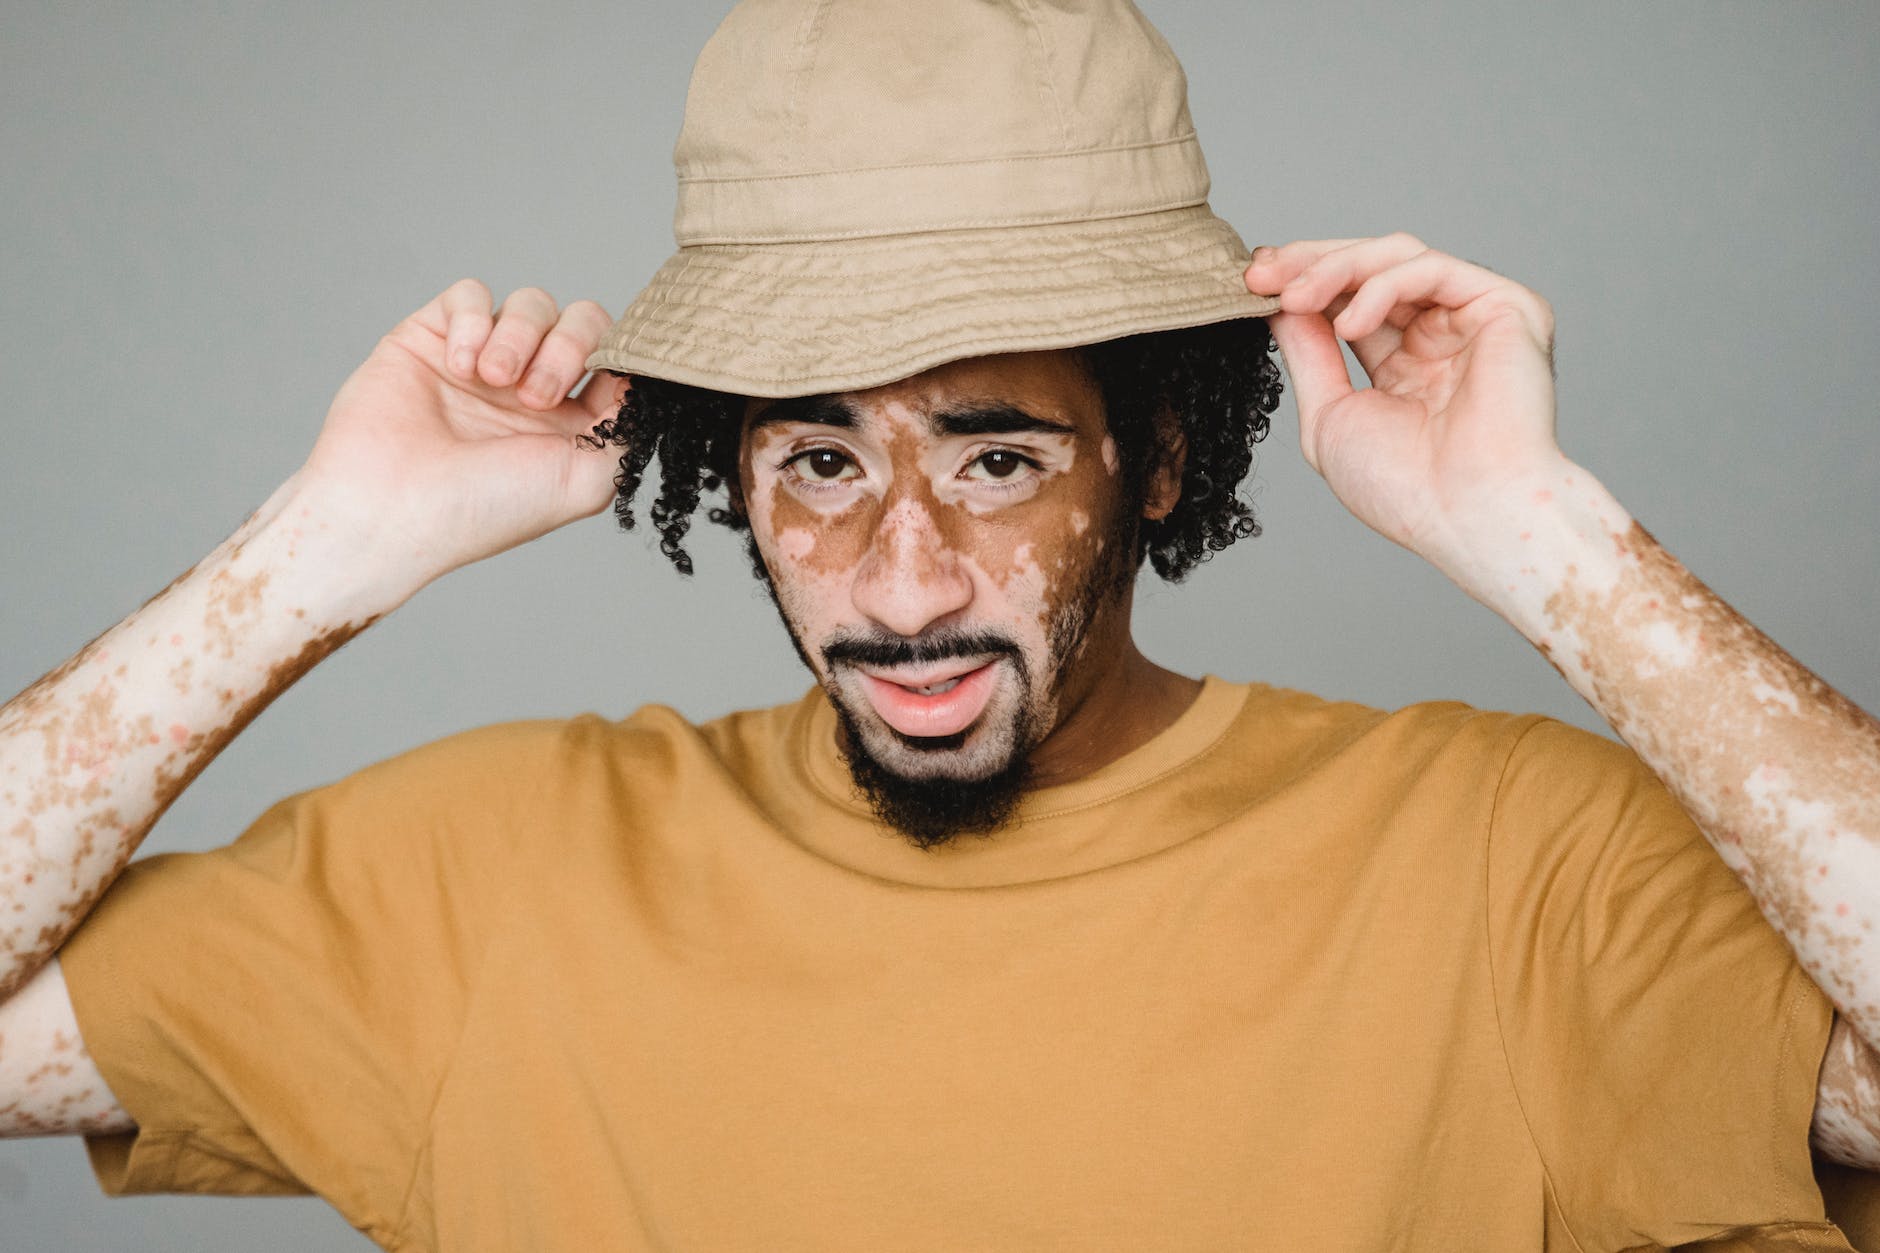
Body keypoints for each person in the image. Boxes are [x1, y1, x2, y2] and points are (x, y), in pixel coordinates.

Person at [2, 0, 1876, 1248]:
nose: (898, 585)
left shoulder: (1503, 864)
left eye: (994, 460)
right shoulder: (482, 874)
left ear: (1155, 455)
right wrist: (315, 558)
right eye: (816, 462)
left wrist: (1547, 538)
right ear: (721, 466)